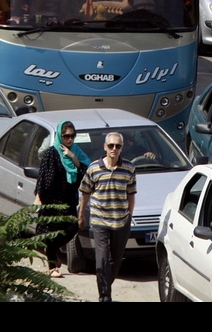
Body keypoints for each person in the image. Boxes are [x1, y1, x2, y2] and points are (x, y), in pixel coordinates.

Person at [78, 132, 137, 302]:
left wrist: (129, 215)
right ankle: (104, 296)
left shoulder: (129, 168)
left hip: (121, 221)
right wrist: (81, 215)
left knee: (115, 260)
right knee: (102, 259)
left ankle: (106, 286)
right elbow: (85, 193)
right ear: (105, 147)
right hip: (100, 220)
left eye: (117, 146)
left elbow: (131, 194)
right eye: (111, 146)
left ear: (122, 148)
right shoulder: (94, 168)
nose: (114, 149)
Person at [34, 120, 89, 278]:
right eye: (66, 136)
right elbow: (42, 177)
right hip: (51, 199)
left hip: (69, 198)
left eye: (72, 136)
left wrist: (72, 157)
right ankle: (52, 267)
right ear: (60, 135)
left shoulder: (77, 152)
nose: (69, 139)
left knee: (72, 228)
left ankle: (54, 250)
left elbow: (85, 172)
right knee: (51, 232)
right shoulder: (51, 153)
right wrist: (38, 196)